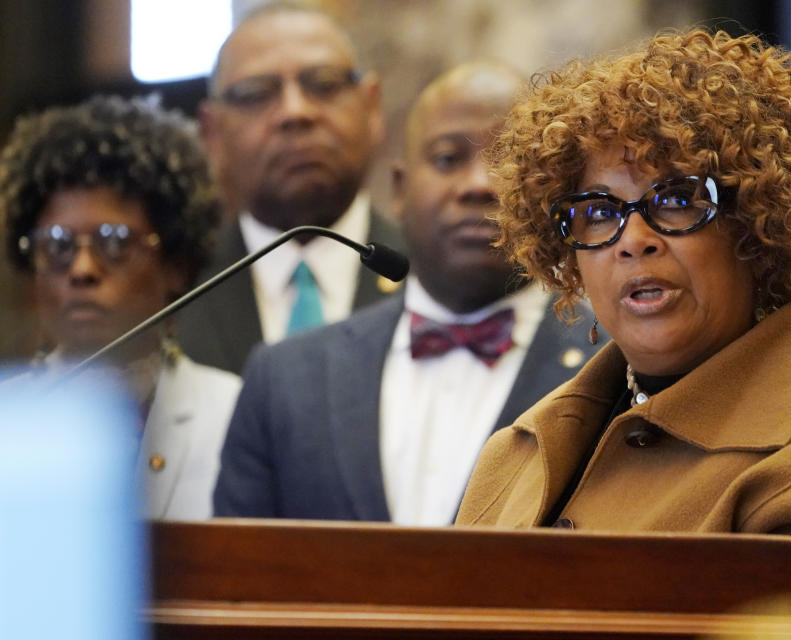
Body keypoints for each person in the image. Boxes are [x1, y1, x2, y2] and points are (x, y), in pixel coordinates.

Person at [454, 29, 791, 618]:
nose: (634, 241)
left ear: (760, 223)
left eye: (677, 199)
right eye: (598, 211)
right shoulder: (516, 452)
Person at [214, 61, 605, 525]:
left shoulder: (611, 369)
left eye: (508, 160)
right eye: (446, 159)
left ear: (550, 190)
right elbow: (238, 584)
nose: (479, 185)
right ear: (399, 189)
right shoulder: (283, 378)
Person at [0, 95, 241, 520]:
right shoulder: (9, 417)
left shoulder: (232, 413)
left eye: (114, 242)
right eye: (56, 245)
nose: (82, 269)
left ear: (175, 265)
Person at [176, 3, 403, 375]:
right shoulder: (174, 290)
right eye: (255, 94)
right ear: (212, 132)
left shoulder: (433, 278)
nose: (295, 112)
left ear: (371, 106)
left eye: (324, 84)